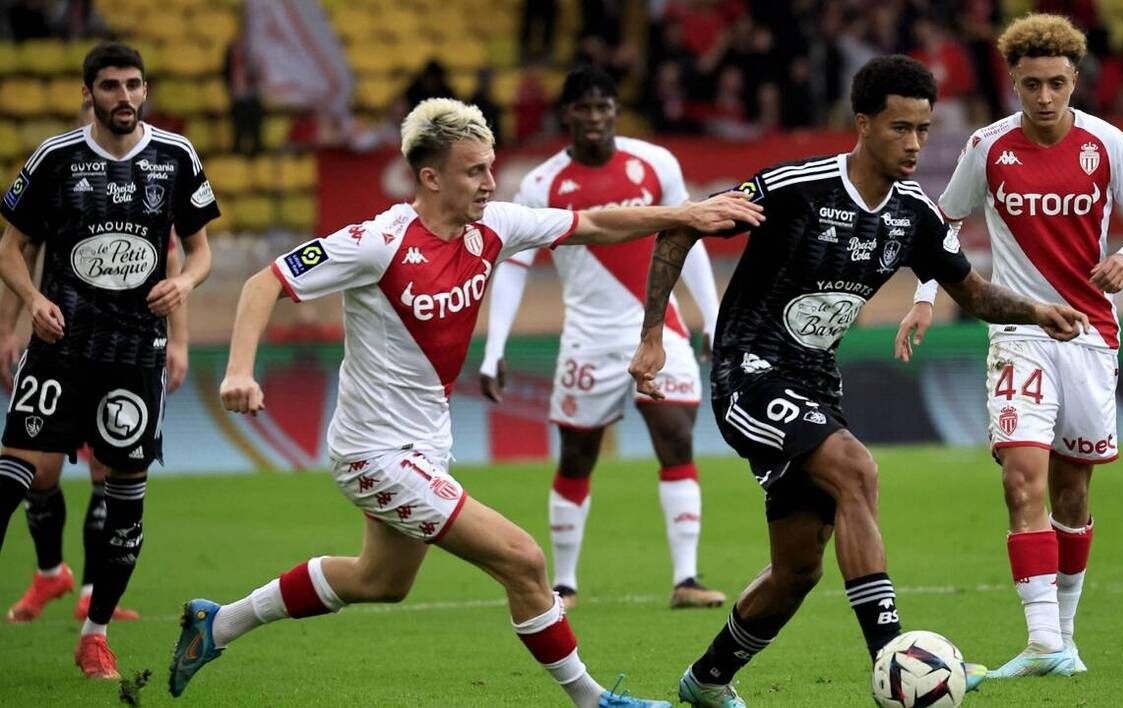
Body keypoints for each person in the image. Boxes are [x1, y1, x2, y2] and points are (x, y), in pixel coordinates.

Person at [166, 97, 763, 705]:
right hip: (375, 452)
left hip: (427, 442)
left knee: (380, 580)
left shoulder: (495, 226)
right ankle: (593, 700)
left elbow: (594, 223)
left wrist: (687, 213)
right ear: (431, 177)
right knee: (523, 559)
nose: (489, 182)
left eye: (490, 167)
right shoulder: (377, 241)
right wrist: (239, 371)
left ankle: (218, 624)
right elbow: (264, 281)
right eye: (475, 170)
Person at [628, 55, 1089, 707]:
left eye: (923, 129)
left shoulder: (914, 215)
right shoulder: (794, 188)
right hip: (749, 373)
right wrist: (653, 334)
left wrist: (1038, 310)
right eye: (900, 128)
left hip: (817, 384)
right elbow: (681, 227)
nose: (914, 144)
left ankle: (707, 680)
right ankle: (894, 659)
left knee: (797, 569)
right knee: (857, 470)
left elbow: (975, 293)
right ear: (864, 123)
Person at [896, 14, 1123, 679]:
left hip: (1090, 333)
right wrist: (927, 296)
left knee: (1073, 491)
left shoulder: (1107, 144)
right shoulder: (988, 147)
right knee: (1022, 479)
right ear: (1012, 83)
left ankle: (1064, 641)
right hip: (1018, 332)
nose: (1044, 97)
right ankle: (1042, 640)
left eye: (1056, 84)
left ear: (1075, 80)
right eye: (1030, 85)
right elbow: (943, 224)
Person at [0, 42, 216, 679]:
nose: (125, 97)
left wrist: (185, 285)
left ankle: (94, 635)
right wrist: (32, 301)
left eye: (134, 85)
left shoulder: (176, 157)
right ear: (88, 92)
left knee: (125, 493)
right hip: (60, 347)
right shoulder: (55, 158)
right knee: (15, 473)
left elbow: (198, 250)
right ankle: (50, 573)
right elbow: (11, 248)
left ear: (145, 90)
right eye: (112, 86)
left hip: (134, 355)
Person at [479, 66, 725, 611]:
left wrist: (712, 317)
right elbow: (514, 265)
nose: (595, 117)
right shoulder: (541, 184)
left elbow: (688, 239)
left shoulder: (655, 163)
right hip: (588, 338)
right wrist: (494, 349)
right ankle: (564, 585)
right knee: (577, 456)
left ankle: (686, 579)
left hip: (658, 329)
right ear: (567, 115)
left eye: (603, 107)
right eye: (584, 108)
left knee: (676, 438)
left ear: (615, 111)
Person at [2, 236, 188, 625]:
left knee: (107, 467)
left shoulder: (154, 199)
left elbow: (172, 262)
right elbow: (25, 248)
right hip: (62, 342)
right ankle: (50, 573)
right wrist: (6, 327)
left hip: (124, 349)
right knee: (40, 472)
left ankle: (91, 593)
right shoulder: (58, 196)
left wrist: (180, 340)